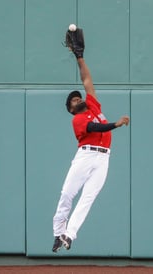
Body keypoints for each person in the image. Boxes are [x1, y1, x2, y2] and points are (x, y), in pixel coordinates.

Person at [52, 48, 130, 252]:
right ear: (71, 109)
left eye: (78, 98)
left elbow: (87, 79)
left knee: (88, 198)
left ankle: (69, 235)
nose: (78, 99)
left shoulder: (93, 106)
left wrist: (80, 57)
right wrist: (116, 124)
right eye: (74, 101)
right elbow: (96, 128)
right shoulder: (77, 120)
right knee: (67, 194)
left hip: (103, 159)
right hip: (86, 155)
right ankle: (57, 232)